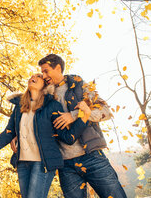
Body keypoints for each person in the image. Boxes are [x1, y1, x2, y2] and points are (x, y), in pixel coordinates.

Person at [0, 73, 92, 198]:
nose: (33, 77)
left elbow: (67, 137)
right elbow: (9, 132)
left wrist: (83, 117)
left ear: (46, 86)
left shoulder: (52, 106)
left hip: (43, 163)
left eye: (39, 76)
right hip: (22, 163)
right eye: (31, 76)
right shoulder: (20, 107)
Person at [37, 54, 127, 198]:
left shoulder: (79, 85)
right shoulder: (44, 95)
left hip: (91, 156)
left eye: (46, 71)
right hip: (65, 165)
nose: (44, 75)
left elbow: (106, 112)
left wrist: (73, 115)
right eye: (42, 72)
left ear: (58, 68)